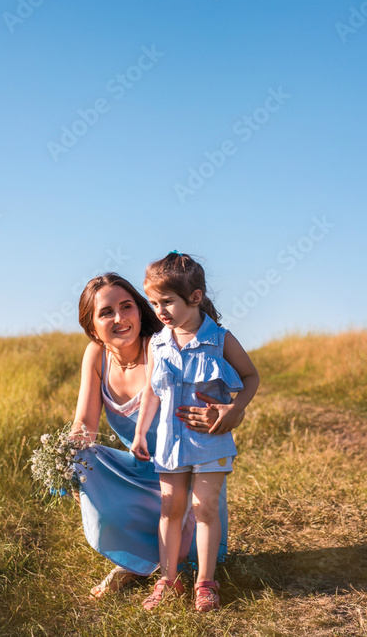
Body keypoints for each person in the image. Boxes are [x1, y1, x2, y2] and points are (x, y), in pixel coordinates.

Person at [69, 273, 244, 599]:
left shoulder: (162, 347)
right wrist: (67, 457)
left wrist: (229, 412)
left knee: (185, 556)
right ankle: (132, 559)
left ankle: (161, 567)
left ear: (139, 310)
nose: (120, 318)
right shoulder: (95, 356)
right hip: (140, 468)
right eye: (107, 312)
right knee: (81, 458)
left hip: (186, 471)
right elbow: (85, 424)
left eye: (127, 306)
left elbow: (220, 392)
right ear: (93, 327)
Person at [131, 252, 260, 612]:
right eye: (154, 303)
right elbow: (152, 393)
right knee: (170, 507)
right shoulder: (157, 343)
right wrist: (141, 433)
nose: (160, 310)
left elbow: (252, 377)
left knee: (204, 510)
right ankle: (168, 579)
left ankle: (205, 581)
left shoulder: (219, 339)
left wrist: (236, 408)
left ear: (195, 297)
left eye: (167, 301)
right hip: (170, 443)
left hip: (211, 440)